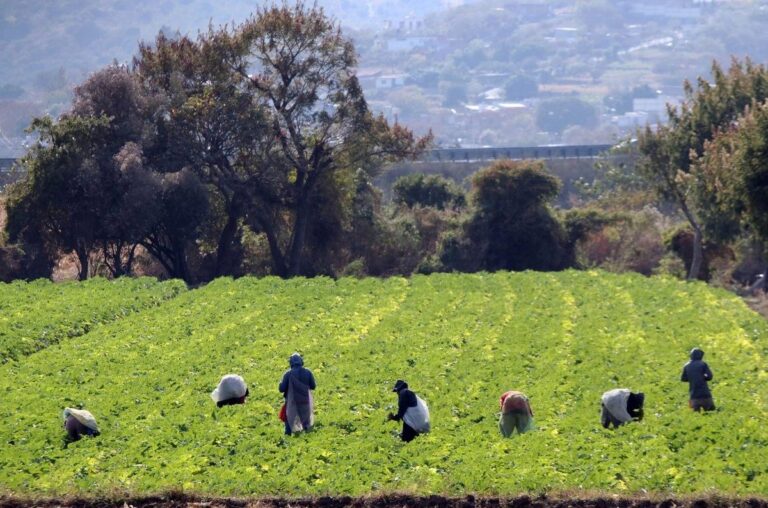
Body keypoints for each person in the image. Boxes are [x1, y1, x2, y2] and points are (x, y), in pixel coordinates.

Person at [279, 353, 316, 435]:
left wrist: (281, 382)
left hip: (292, 402)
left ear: (291, 363)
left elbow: (281, 389)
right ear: (301, 361)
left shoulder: (288, 374)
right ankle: (307, 436)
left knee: (289, 418)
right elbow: (313, 386)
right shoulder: (308, 372)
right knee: (306, 420)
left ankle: (288, 435)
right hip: (305, 401)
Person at [681, 347, 715, 411]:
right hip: (705, 394)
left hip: (693, 395)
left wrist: (692, 378)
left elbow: (683, 378)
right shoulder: (703, 364)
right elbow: (710, 376)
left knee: (695, 414)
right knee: (711, 412)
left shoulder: (686, 365)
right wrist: (703, 378)